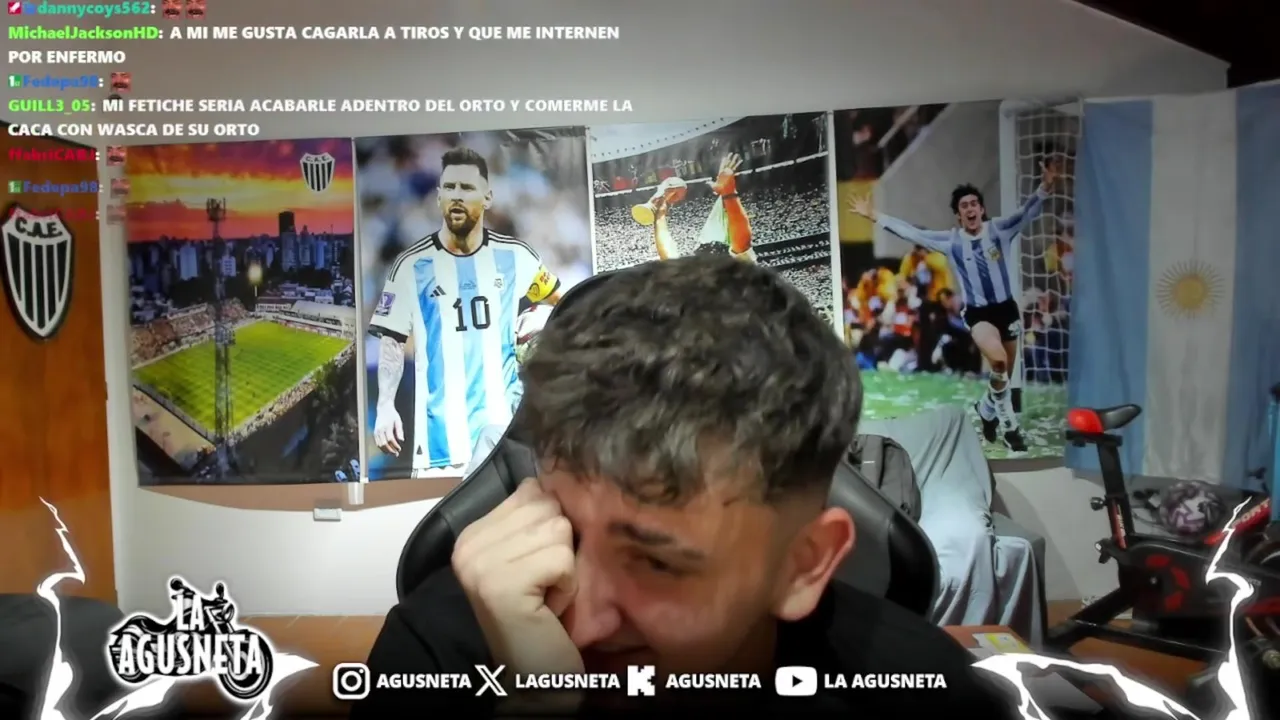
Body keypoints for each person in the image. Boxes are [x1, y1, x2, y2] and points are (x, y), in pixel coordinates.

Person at [355, 256, 1013, 717]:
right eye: (565, 531)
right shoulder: (433, 656)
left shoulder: (932, 696)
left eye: (656, 562)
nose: (580, 619)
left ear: (801, 564)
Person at [369, 147, 562, 475]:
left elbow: (563, 301)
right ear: (439, 197)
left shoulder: (517, 256)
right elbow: (392, 338)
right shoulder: (411, 264)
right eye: (450, 187)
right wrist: (385, 404)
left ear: (487, 197)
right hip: (439, 447)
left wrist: (544, 326)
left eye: (467, 188)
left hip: (502, 437)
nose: (457, 196)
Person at [847, 161, 1058, 452]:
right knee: (997, 363)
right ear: (959, 216)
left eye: (973, 204)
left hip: (1006, 310)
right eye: (964, 206)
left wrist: (1045, 187)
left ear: (982, 209)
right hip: (979, 314)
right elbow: (911, 232)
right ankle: (1010, 427)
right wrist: (875, 216)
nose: (970, 209)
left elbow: (1027, 212)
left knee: (1004, 375)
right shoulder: (951, 241)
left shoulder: (999, 229)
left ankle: (986, 410)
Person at [647, 153, 759, 263]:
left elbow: (668, 257)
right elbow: (742, 243)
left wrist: (660, 215)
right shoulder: (739, 269)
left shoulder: (693, 274)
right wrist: (729, 191)